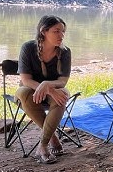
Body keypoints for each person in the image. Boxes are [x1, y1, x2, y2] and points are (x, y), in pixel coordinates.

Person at [15, 15, 72, 164]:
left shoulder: (65, 52)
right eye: (56, 31)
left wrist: (48, 85)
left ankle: (43, 145)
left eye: (63, 31)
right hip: (29, 90)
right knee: (25, 93)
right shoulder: (28, 48)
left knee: (62, 96)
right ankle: (52, 136)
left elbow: (63, 81)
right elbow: (26, 80)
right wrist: (47, 89)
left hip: (54, 89)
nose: (61, 35)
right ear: (43, 31)